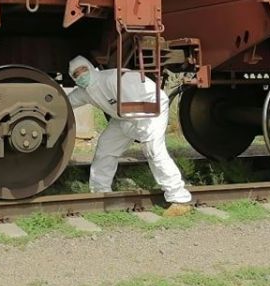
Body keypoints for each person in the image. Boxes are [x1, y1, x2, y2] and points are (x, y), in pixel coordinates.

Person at [67, 55, 192, 216]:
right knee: (105, 147)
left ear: (90, 68)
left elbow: (137, 101)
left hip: (150, 109)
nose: (81, 75)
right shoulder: (85, 92)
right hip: (123, 116)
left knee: (154, 151)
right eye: (76, 74)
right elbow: (66, 101)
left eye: (83, 70)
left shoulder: (112, 79)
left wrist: (141, 133)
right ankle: (100, 192)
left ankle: (179, 199)